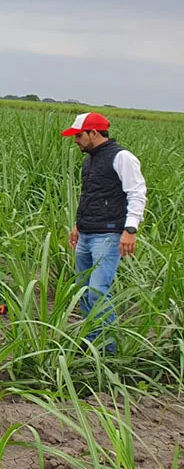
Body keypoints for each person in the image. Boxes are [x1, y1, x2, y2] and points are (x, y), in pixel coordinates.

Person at [62, 112, 146, 353]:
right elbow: (91, 196)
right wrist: (79, 226)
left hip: (108, 236)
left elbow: (137, 193)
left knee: (99, 292)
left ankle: (108, 351)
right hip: (87, 234)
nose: (76, 140)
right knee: (84, 291)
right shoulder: (89, 160)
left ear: (94, 133)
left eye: (79, 136)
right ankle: (91, 342)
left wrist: (130, 229)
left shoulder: (122, 157)